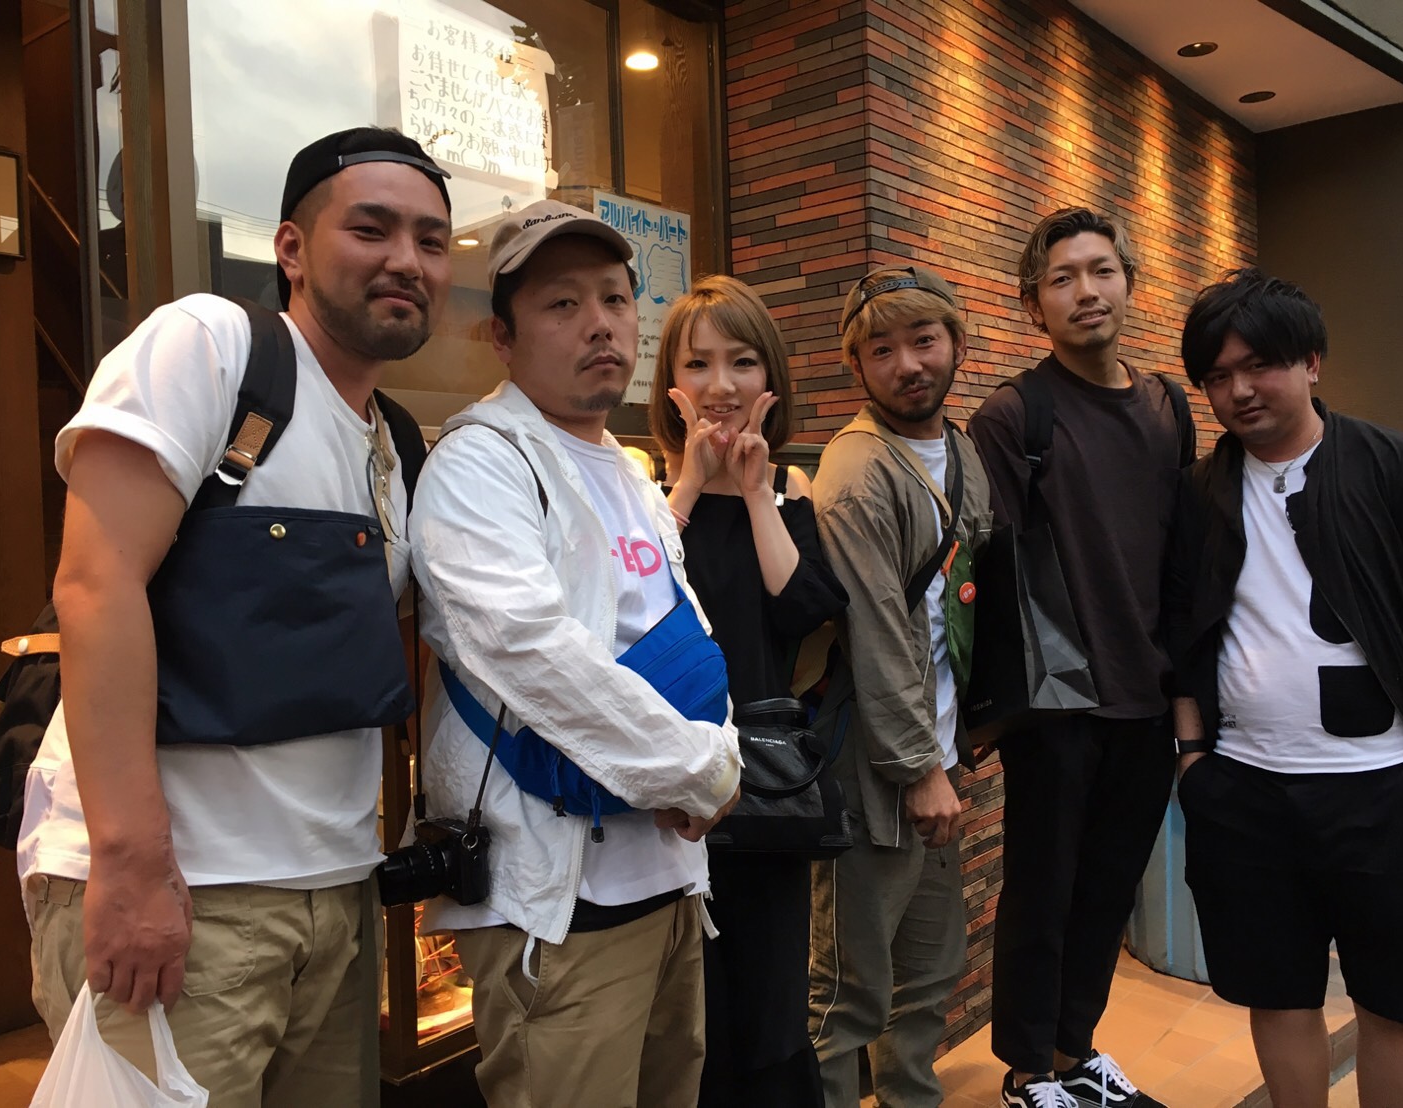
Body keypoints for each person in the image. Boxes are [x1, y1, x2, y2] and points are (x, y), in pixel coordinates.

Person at [18, 126, 453, 1106]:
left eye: (431, 241)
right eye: (372, 229)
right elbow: (95, 583)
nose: (406, 259)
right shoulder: (213, 345)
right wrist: (131, 866)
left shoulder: (397, 443)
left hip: (336, 891)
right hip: (185, 891)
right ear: (291, 248)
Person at [408, 200, 742, 1107]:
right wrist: (703, 770)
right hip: (559, 904)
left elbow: (686, 638)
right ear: (501, 337)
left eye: (615, 299)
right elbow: (530, 652)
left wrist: (714, 757)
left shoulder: (628, 471)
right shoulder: (481, 462)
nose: (599, 323)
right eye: (561, 304)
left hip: (671, 878)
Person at [1168, 269, 1403, 1108]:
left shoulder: (1390, 463)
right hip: (1245, 791)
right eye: (1217, 376)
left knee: (1395, 1002)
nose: (1238, 390)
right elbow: (1178, 627)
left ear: (1310, 362)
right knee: (1276, 993)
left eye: (1258, 364)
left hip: (1386, 784)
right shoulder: (1200, 491)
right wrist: (1192, 758)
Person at [968, 207, 1185, 1108]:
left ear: (1128, 283)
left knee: (1106, 891)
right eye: (1061, 279)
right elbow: (987, 570)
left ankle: (1075, 1049)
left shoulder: (1167, 405)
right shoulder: (1014, 414)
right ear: (1034, 305)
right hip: (1057, 704)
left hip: (1148, 696)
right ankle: (1028, 1071)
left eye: (1100, 271)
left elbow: (1179, 551)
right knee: (1042, 891)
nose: (1084, 291)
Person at [648, 274, 849, 1107]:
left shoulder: (792, 494)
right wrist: (690, 484)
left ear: (770, 377)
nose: (721, 385)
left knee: (769, 1008)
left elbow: (802, 610)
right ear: (670, 382)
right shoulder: (645, 496)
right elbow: (638, 604)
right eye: (697, 364)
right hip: (663, 793)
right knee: (688, 1016)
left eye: (741, 362)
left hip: (762, 793)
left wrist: (758, 492)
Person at [807, 263, 994, 1107]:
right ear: (855, 365)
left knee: (928, 972)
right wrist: (920, 768)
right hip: (873, 770)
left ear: (956, 343)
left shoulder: (960, 452)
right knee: (845, 990)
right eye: (880, 350)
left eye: (923, 340)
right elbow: (875, 633)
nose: (907, 364)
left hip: (934, 755)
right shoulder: (857, 472)